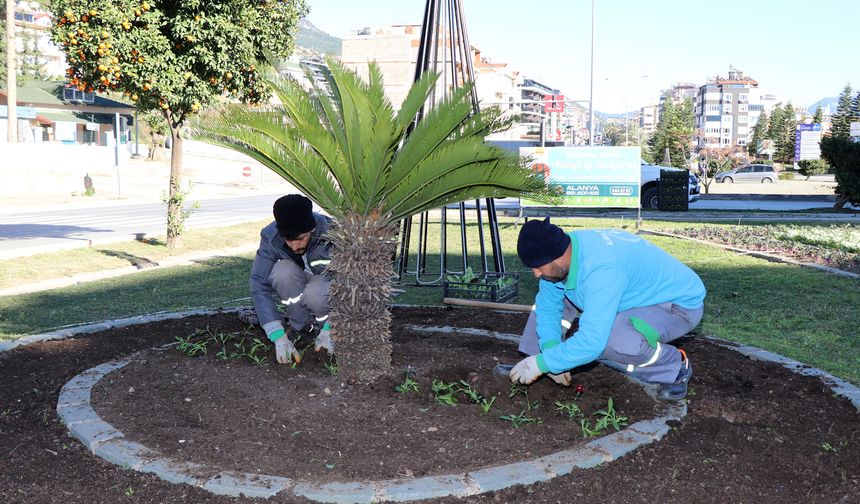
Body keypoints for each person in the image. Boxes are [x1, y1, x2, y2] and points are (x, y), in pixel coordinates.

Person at [510, 218, 706, 401]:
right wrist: (550, 354)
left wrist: (543, 364)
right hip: (629, 292)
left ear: (559, 258)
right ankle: (533, 362)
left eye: (537, 267)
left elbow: (592, 342)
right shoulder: (567, 253)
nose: (535, 274)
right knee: (547, 298)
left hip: (676, 305)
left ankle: (674, 366)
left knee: (615, 339)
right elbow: (548, 307)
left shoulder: (602, 270)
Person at [250, 194, 334, 365]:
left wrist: (332, 327)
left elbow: (351, 282)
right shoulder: (271, 236)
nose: (295, 246)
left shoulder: (333, 233)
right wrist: (277, 335)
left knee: (315, 292)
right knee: (282, 272)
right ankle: (299, 326)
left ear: (311, 229)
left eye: (300, 238)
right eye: (288, 240)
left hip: (325, 288)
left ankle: (324, 330)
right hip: (299, 280)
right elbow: (259, 283)